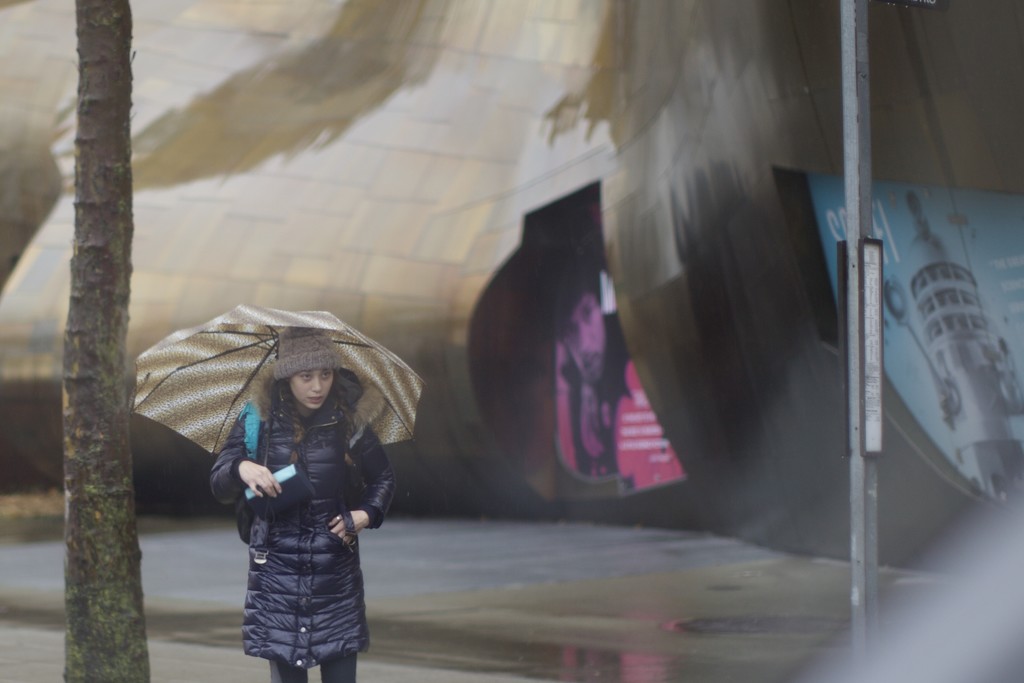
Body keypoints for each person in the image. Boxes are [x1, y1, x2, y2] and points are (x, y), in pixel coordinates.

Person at [210, 327, 395, 683]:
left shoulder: (349, 421)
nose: (317, 386)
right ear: (286, 376)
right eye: (306, 376)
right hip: (277, 579)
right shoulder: (256, 419)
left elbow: (383, 479)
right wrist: (240, 467)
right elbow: (219, 483)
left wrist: (365, 514)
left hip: (335, 577)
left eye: (325, 374)